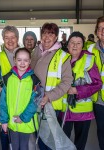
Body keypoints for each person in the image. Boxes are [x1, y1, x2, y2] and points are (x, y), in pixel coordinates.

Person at [31, 22, 73, 150]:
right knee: (38, 136)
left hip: (51, 105)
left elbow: (67, 81)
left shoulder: (62, 56)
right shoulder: (35, 52)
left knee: (49, 141)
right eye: (44, 33)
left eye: (51, 34)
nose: (47, 37)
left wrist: (48, 96)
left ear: (56, 37)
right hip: (34, 102)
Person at [62, 31, 102, 150]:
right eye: (72, 43)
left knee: (80, 143)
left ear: (82, 45)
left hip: (83, 112)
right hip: (65, 110)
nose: (75, 46)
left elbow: (97, 84)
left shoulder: (89, 60)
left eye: (78, 43)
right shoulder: (61, 58)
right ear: (67, 44)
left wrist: (77, 90)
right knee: (63, 141)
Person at [0, 48, 41, 150]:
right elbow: (3, 102)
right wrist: (4, 120)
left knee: (25, 147)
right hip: (12, 122)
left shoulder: (34, 80)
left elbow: (34, 103)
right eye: (19, 60)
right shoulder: (7, 78)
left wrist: (23, 118)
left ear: (30, 61)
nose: (22, 63)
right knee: (14, 147)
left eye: (26, 60)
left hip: (26, 123)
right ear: (14, 60)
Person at [87, 16, 104, 150]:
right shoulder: (91, 49)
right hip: (98, 100)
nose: (103, 31)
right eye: (100, 28)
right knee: (102, 131)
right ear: (97, 31)